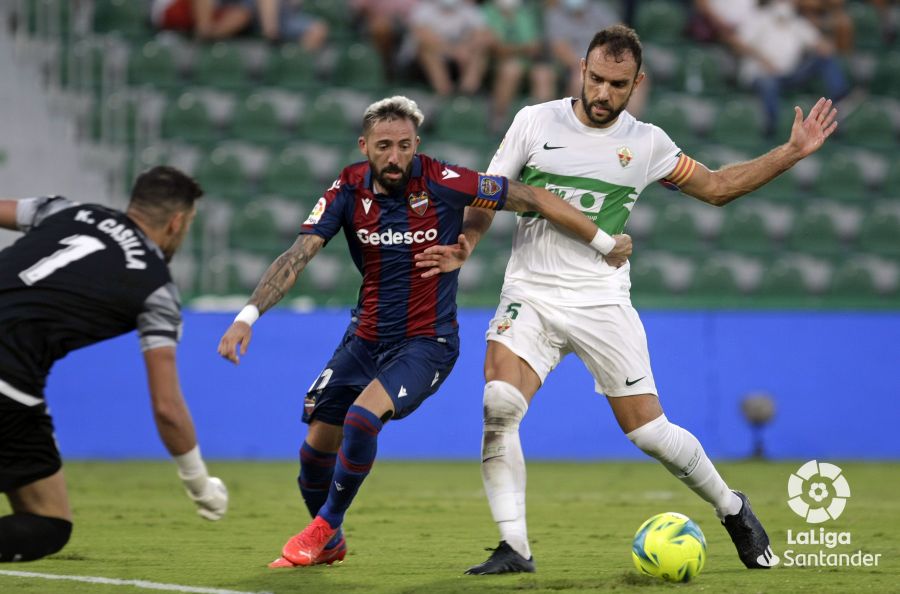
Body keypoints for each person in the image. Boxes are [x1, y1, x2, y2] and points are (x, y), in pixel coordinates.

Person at [415, 25, 838, 574]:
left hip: (601, 301)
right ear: (581, 70)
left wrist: (790, 152)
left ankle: (733, 509)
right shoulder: (533, 121)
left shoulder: (647, 143)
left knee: (649, 434)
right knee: (499, 404)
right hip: (532, 293)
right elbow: (489, 193)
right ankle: (515, 547)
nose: (602, 94)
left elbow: (717, 189)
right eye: (595, 79)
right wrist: (467, 243)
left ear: (636, 83)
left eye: (617, 85)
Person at [216, 95, 632, 568]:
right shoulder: (347, 189)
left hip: (426, 343)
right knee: (314, 453)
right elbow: (299, 254)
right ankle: (330, 537)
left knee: (361, 418)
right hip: (364, 340)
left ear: (417, 145)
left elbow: (531, 196)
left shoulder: (444, 181)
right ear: (364, 145)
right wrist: (247, 316)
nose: (395, 157)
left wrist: (602, 242)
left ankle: (324, 526)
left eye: (404, 146)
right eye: (384, 146)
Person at [0, 166, 228, 563]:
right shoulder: (155, 287)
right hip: (8, 384)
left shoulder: (64, 211)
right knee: (47, 521)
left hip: (15, 387)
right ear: (177, 222)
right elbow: (167, 409)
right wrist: (200, 485)